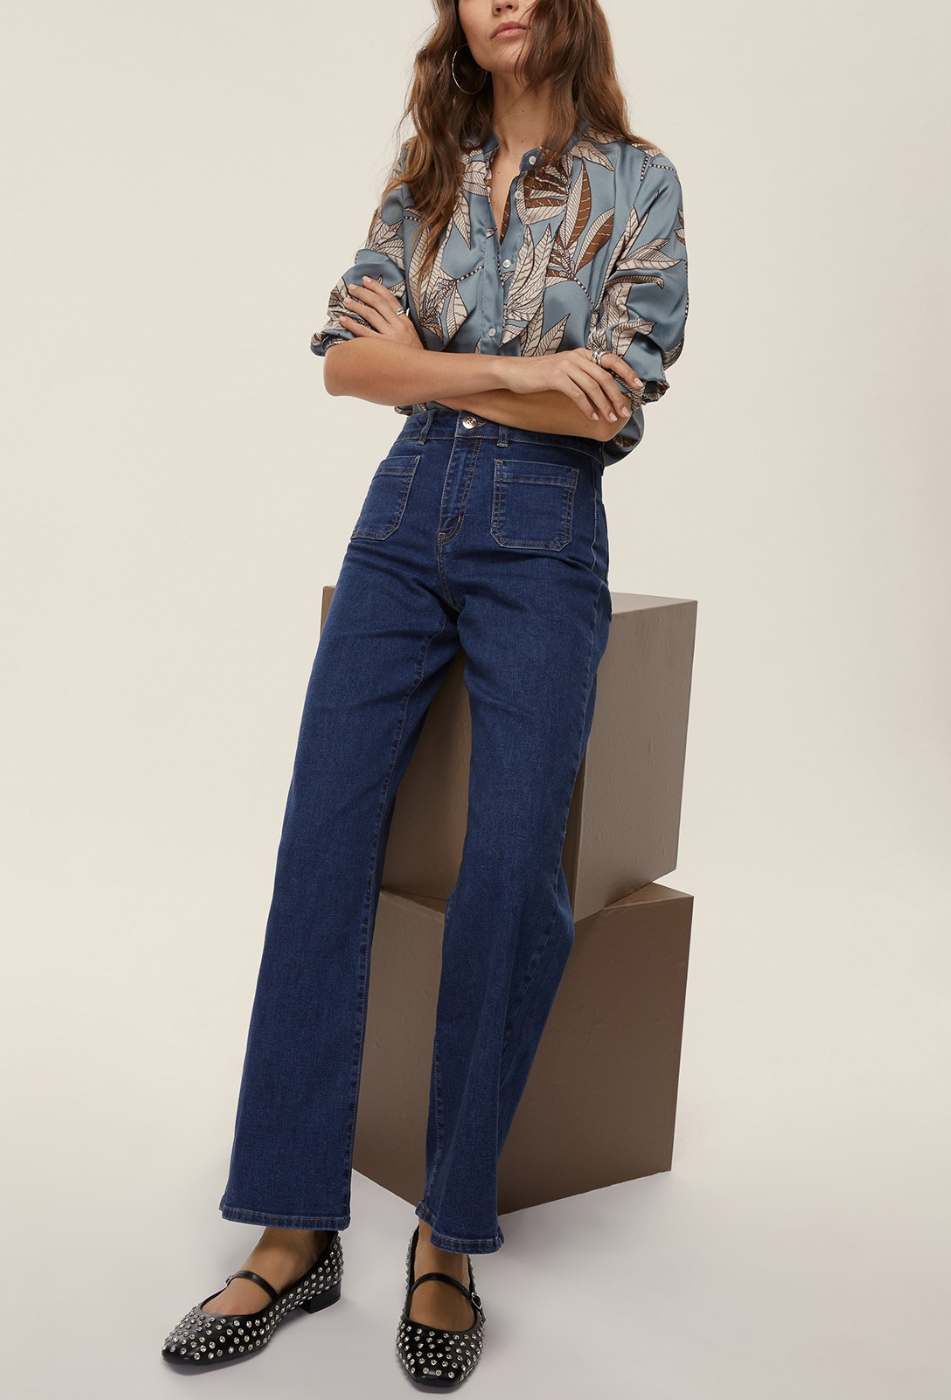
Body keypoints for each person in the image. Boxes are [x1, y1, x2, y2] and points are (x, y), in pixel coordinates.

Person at [162, 0, 688, 1385]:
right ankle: (293, 1229)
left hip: (545, 535)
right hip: (401, 519)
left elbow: (612, 401)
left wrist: (440, 372)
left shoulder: (638, 184)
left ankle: (448, 1236)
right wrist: (517, 366)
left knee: (512, 874)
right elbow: (349, 367)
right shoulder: (426, 180)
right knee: (321, 846)